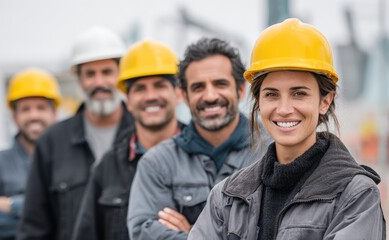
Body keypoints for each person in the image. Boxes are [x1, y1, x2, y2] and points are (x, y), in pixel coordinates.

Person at [188, 18, 386, 240]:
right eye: (271, 94)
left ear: (325, 101)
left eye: (299, 93)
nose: (283, 109)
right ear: (259, 101)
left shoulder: (356, 195)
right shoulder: (227, 196)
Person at [127, 38, 269, 240]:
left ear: (240, 90)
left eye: (220, 84)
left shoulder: (273, 152)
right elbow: (144, 232)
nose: (210, 96)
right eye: (198, 87)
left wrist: (194, 233)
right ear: (184, 96)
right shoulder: (157, 164)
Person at [18, 27, 134, 240]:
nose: (99, 82)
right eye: (90, 74)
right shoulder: (51, 143)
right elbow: (34, 227)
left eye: (107, 72)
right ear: (79, 79)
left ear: (121, 76)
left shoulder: (143, 134)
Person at [72, 39, 185, 240]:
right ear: (129, 100)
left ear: (178, 94)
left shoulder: (203, 156)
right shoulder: (108, 167)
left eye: (159, 85)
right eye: (140, 88)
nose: (150, 96)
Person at [0, 68, 60, 240]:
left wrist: (12, 204)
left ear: (53, 113)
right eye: (25, 109)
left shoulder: (71, 160)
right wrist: (50, 224)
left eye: (41, 108)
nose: (34, 115)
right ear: (14, 116)